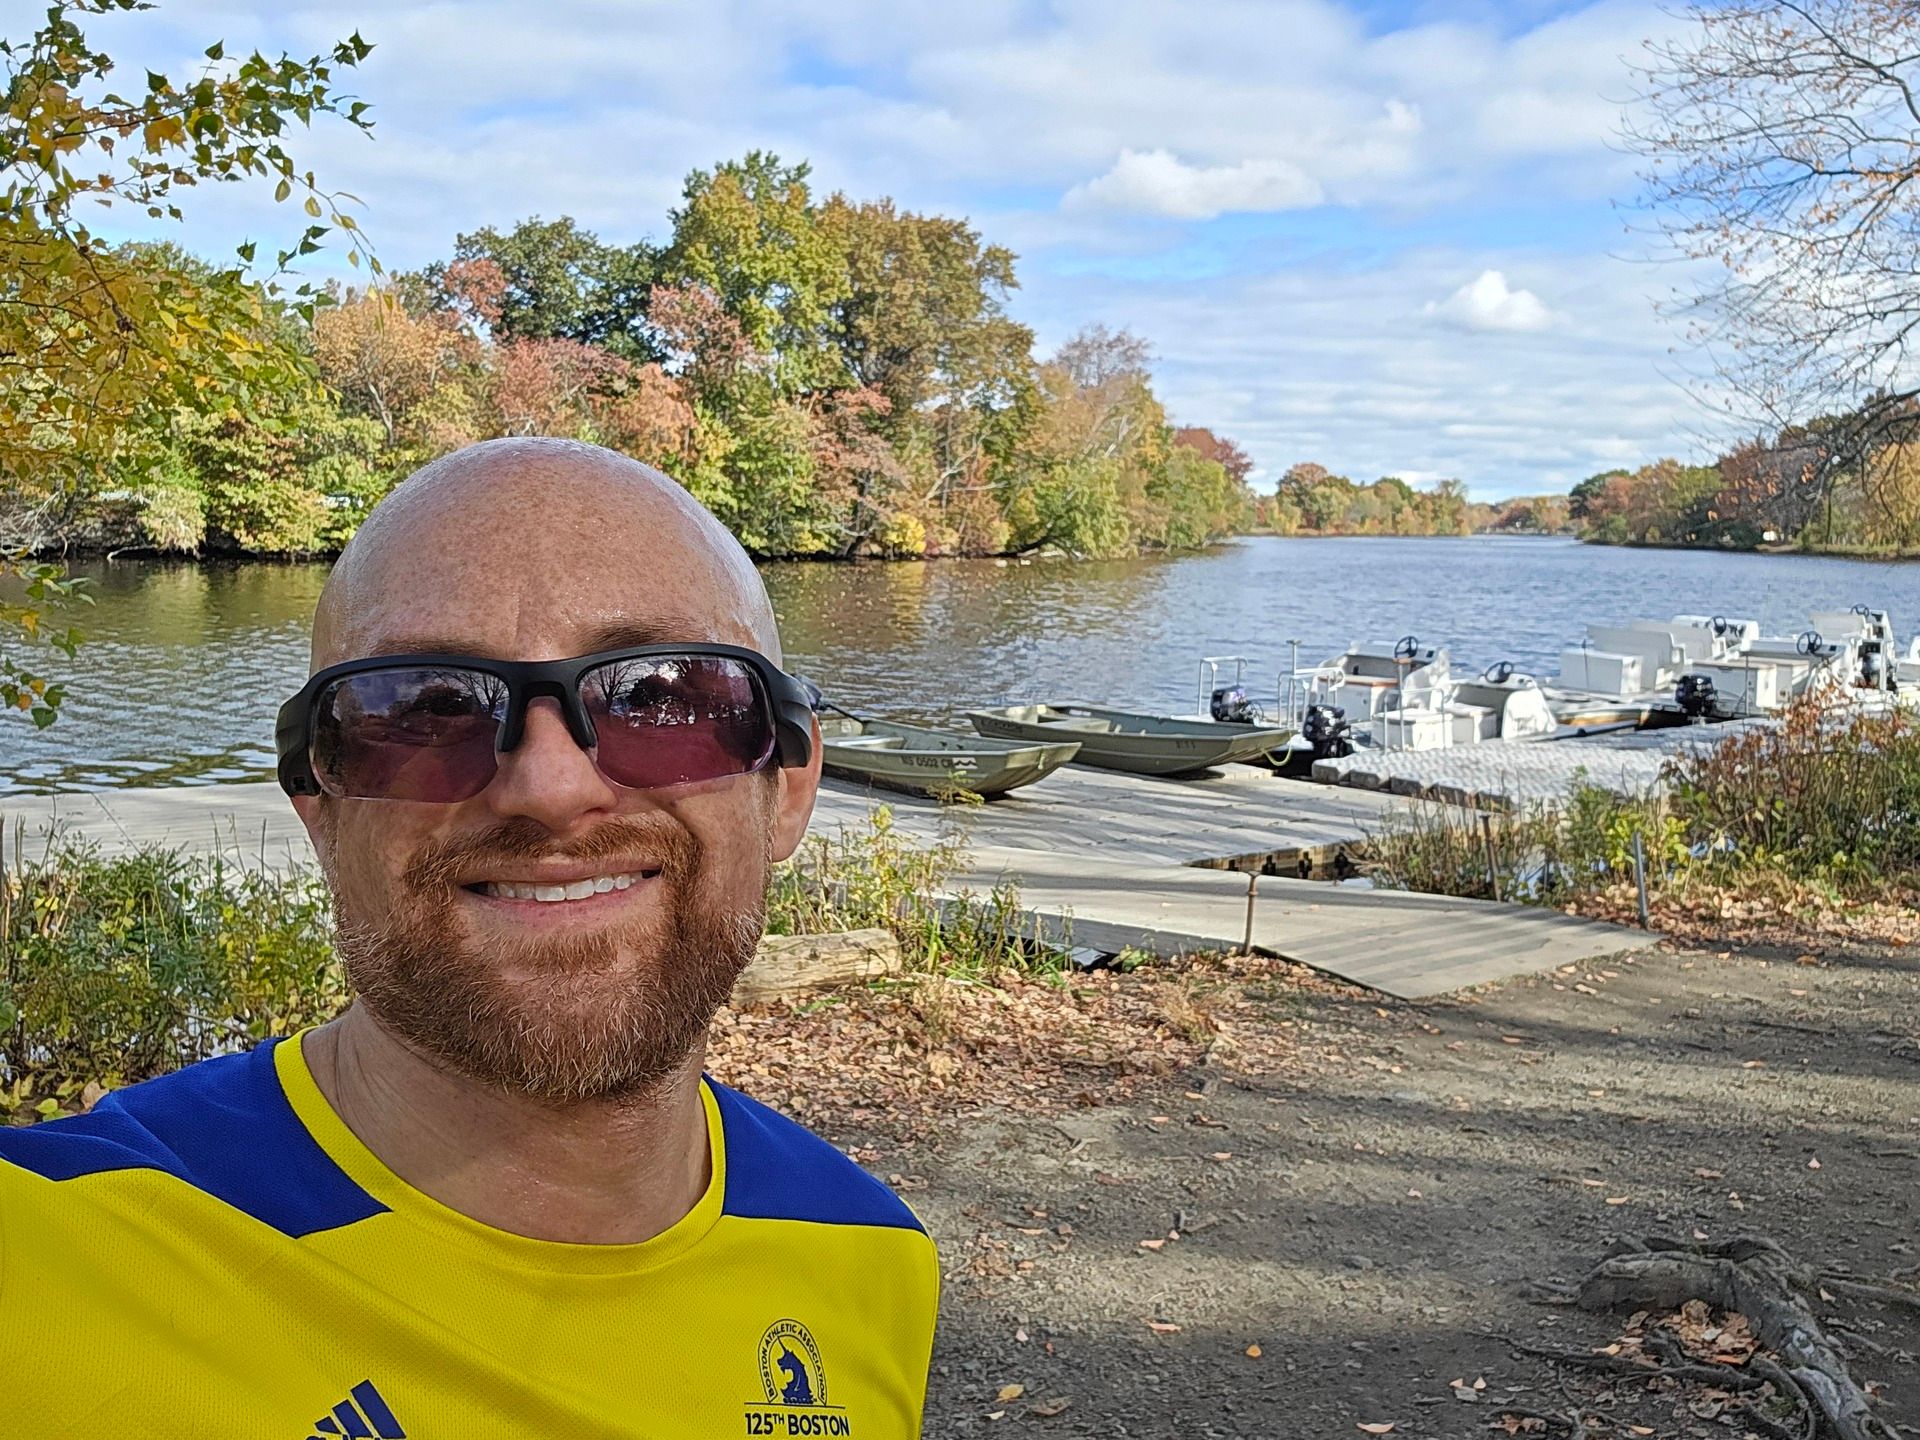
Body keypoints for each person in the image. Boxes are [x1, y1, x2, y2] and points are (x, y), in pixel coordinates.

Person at [0, 439, 940, 1436]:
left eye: (660, 698)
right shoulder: (51, 1259)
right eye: (429, 708)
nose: (551, 789)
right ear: (318, 806)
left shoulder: (870, 1257)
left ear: (789, 787)